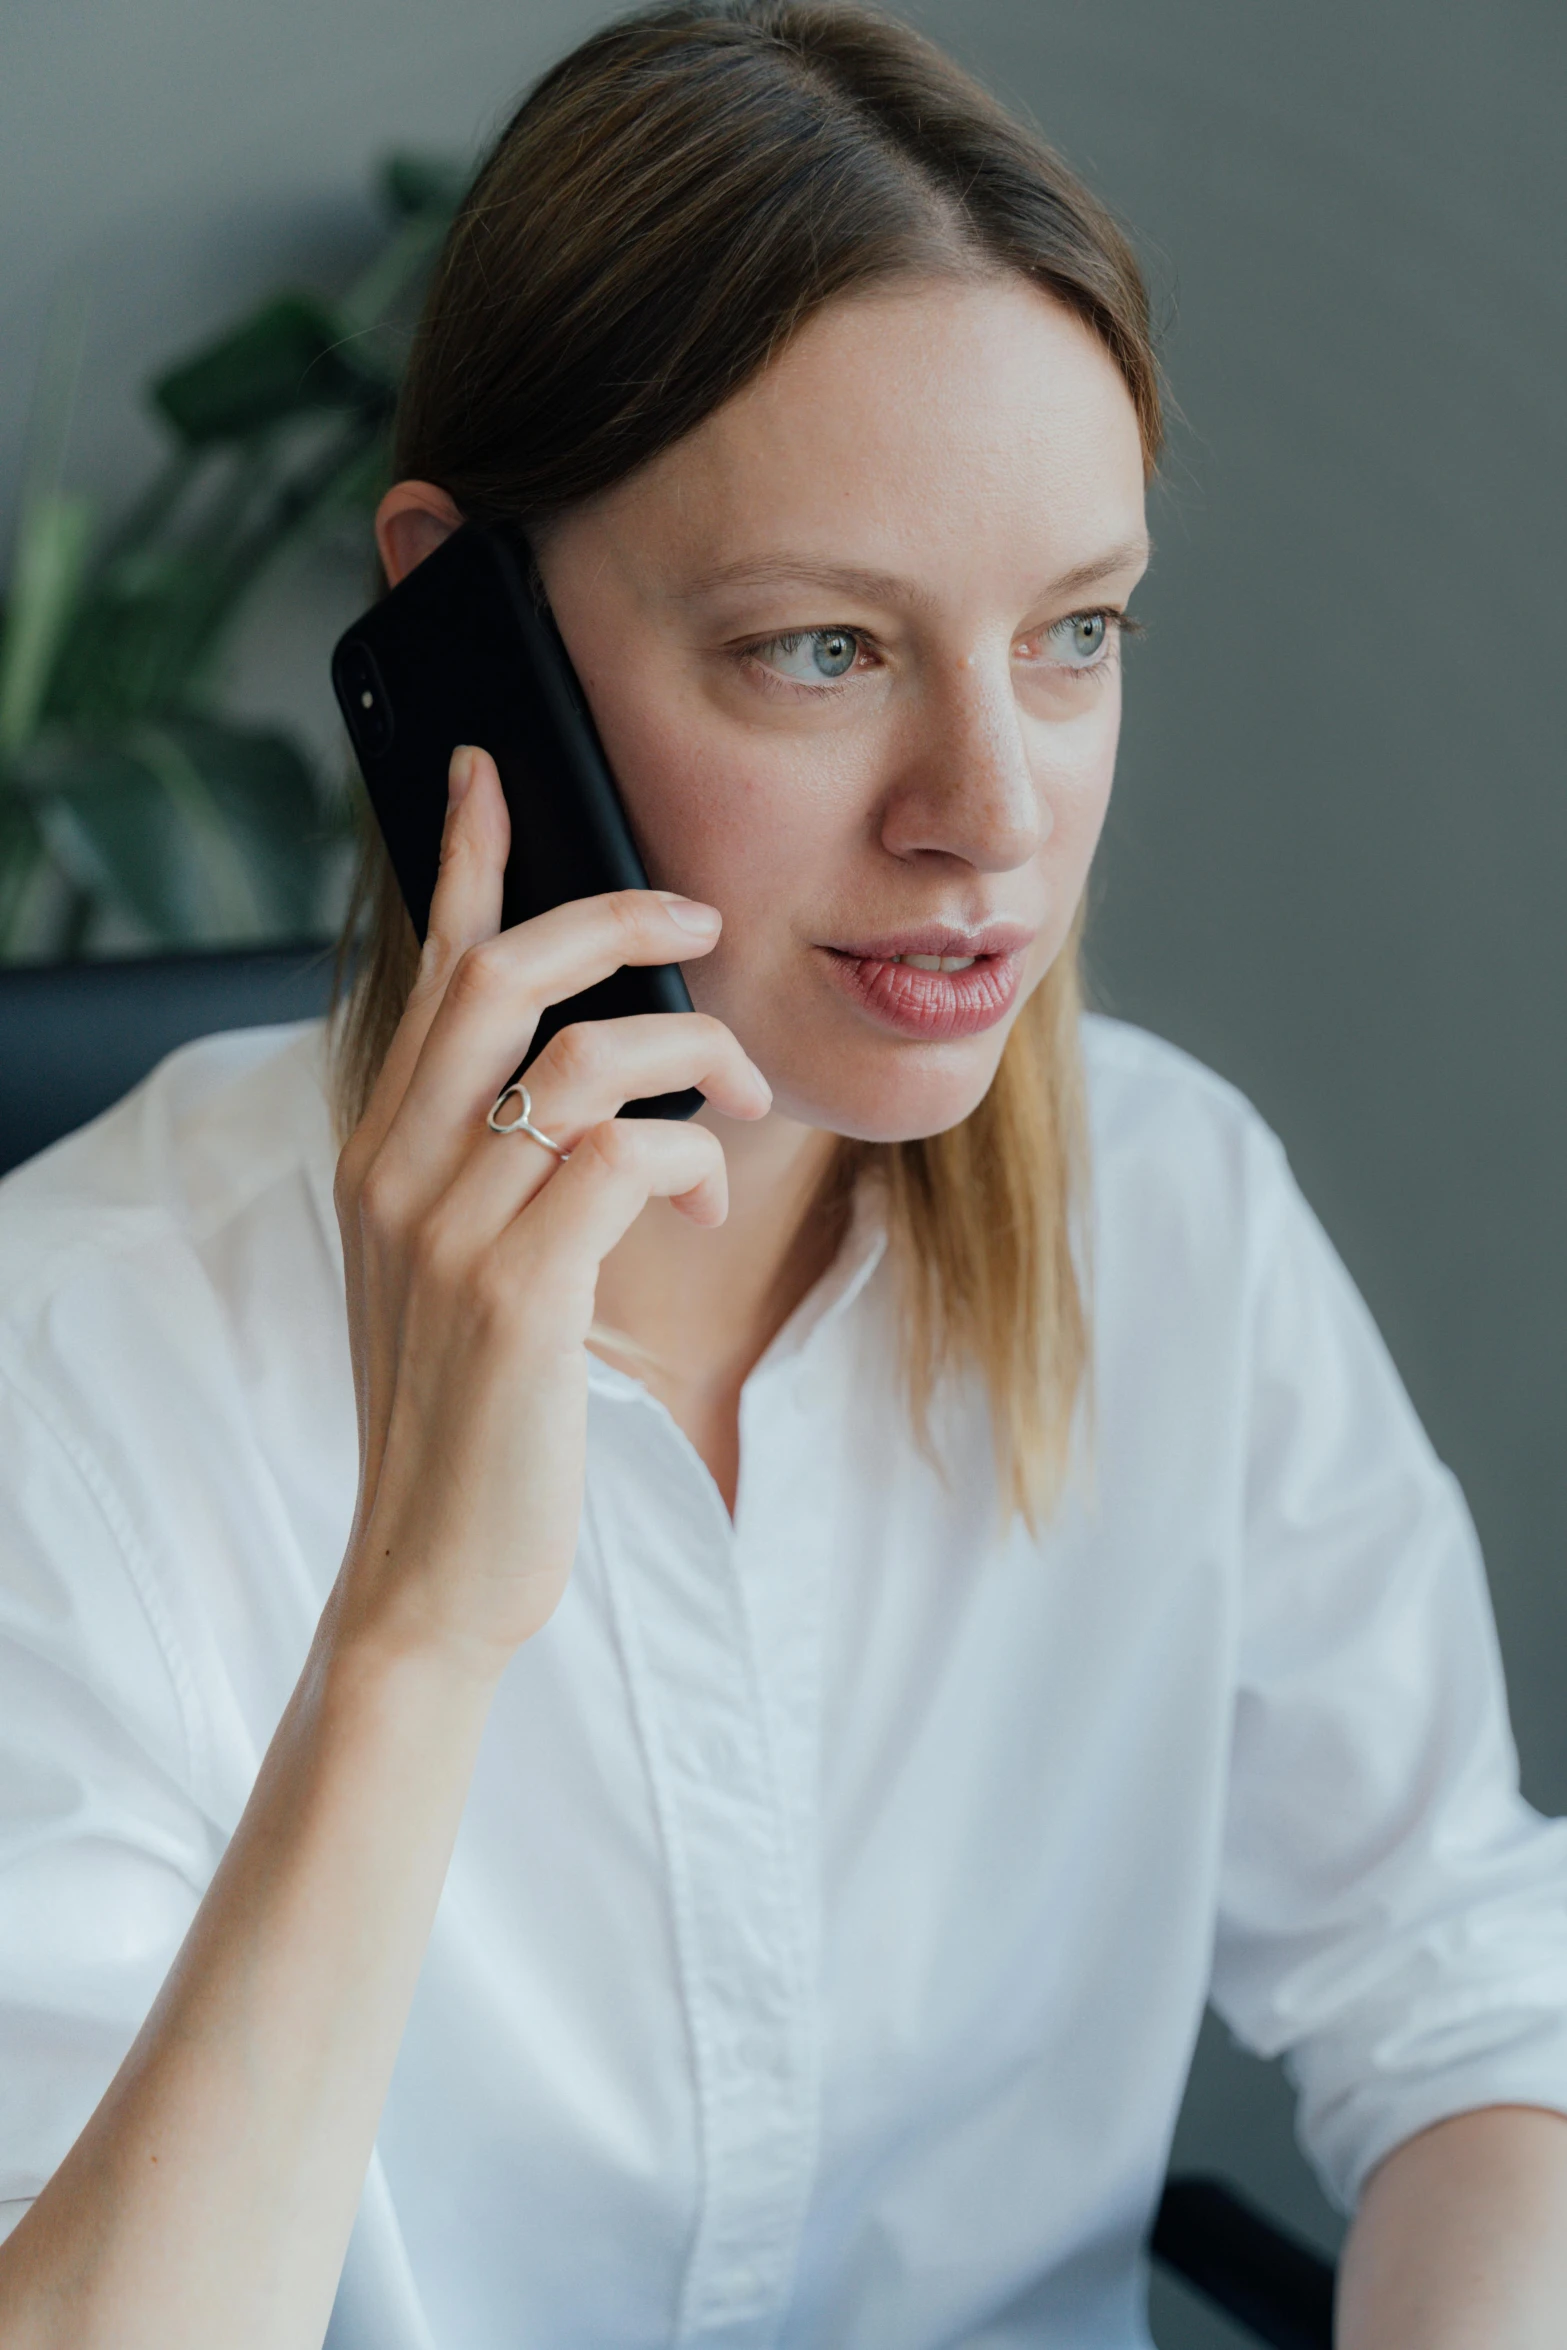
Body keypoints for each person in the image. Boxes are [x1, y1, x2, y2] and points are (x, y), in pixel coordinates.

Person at [2, 4, 1566, 2344]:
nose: (995, 816)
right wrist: (419, 1620)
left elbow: (1474, 2008)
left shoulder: (1178, 1220)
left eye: (1073, 636)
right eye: (822, 647)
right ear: (459, 628)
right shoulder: (77, 1350)